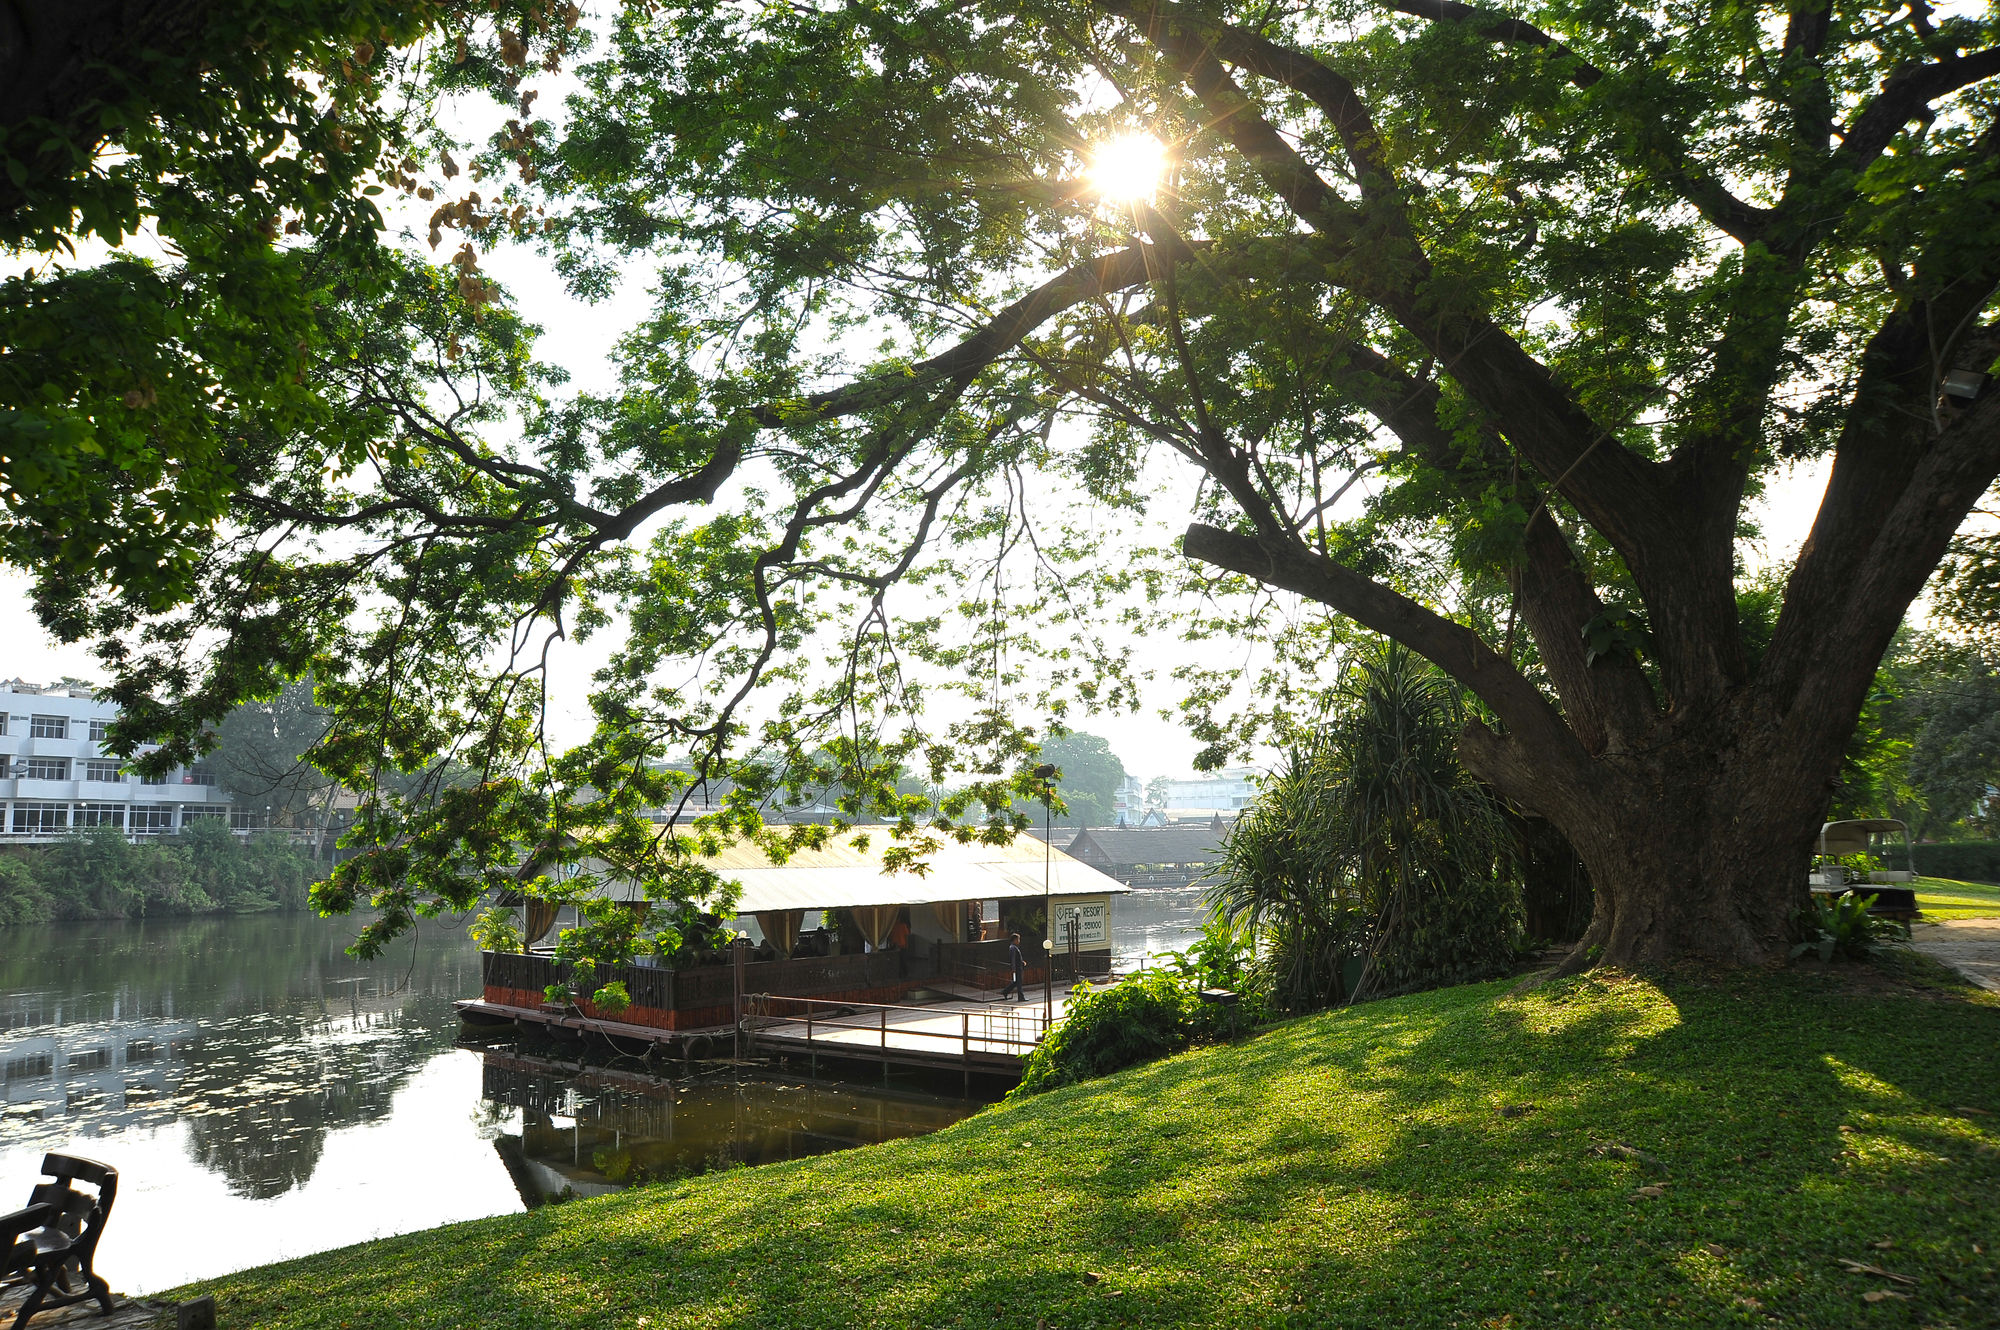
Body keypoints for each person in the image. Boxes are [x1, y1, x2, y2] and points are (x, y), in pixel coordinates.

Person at [1000, 931, 1027, 1001]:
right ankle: (1021, 997)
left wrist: (1022, 962)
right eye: (1018, 939)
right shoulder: (1013, 948)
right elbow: (1013, 959)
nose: (1019, 941)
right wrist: (1014, 968)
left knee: (1016, 982)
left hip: (1018, 966)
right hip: (1017, 968)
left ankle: (1005, 991)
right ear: (1014, 940)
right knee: (1019, 982)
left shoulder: (1014, 947)